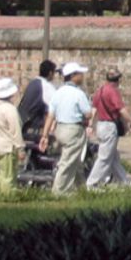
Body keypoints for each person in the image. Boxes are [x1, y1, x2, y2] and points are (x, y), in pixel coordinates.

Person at [49, 62, 93, 194]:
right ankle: (59, 191)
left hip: (60, 128)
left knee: (76, 160)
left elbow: (51, 114)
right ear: (73, 76)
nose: (82, 76)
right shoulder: (78, 94)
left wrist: (46, 134)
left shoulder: (58, 92)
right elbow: (88, 113)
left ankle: (81, 188)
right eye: (80, 74)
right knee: (67, 162)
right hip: (74, 129)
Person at [87, 67, 131, 188]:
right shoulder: (113, 91)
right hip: (109, 125)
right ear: (117, 80)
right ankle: (92, 183)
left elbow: (94, 109)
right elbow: (121, 110)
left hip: (101, 125)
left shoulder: (100, 90)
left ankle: (124, 182)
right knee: (105, 157)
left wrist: (90, 124)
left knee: (113, 157)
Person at [0, 78, 23, 191]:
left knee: (1, 174)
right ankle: (8, 196)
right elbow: (16, 130)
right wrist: (20, 148)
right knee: (9, 176)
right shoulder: (10, 109)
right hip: (7, 147)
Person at [18, 59, 56, 150]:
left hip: (23, 123)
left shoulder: (33, 82)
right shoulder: (46, 86)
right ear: (50, 73)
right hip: (34, 128)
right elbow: (53, 108)